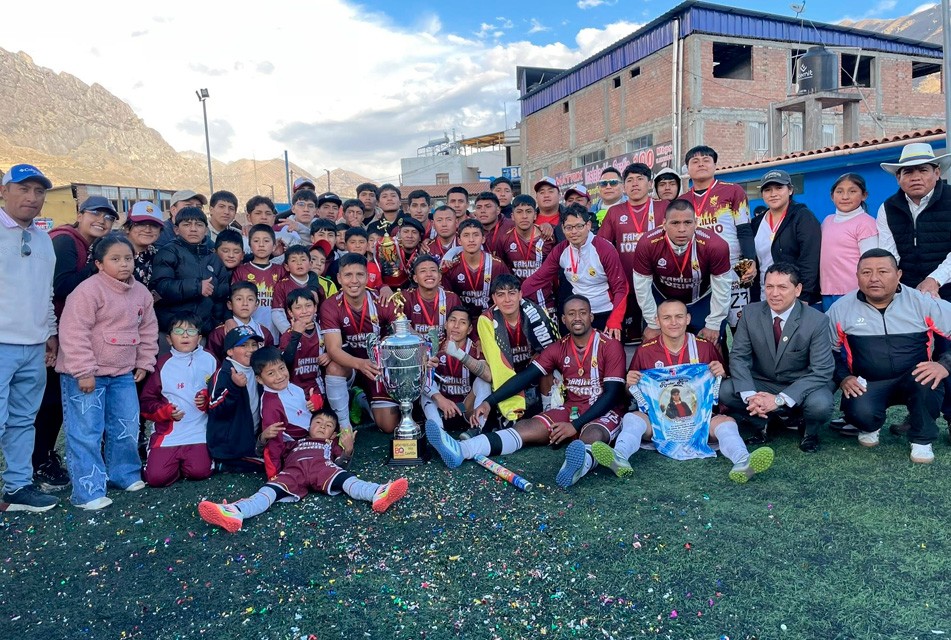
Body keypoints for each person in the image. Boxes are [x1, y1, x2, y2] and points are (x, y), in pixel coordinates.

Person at [428, 295, 626, 488]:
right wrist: (490, 401)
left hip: (603, 411)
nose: (577, 318)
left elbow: (612, 395)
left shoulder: (610, 346)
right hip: (571, 408)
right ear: (563, 319)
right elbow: (525, 377)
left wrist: (575, 425)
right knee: (526, 427)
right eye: (571, 314)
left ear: (591, 317)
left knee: (592, 435)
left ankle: (575, 466)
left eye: (583, 313)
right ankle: (462, 450)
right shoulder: (559, 347)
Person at [593, 299, 773, 483]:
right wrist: (629, 384)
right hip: (659, 425)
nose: (673, 322)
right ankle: (619, 456)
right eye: (667, 317)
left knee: (726, 423)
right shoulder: (645, 351)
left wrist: (721, 373)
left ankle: (743, 461)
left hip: (699, 424)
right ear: (657, 320)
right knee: (632, 419)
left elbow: (719, 388)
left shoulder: (704, 347)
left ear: (688, 319)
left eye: (679, 316)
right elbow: (630, 393)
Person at [56, 235, 158, 509]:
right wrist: (83, 371)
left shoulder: (141, 293)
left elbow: (148, 330)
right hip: (87, 375)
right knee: (86, 431)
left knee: (126, 425)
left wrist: (144, 362)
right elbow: (74, 332)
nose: (124, 264)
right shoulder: (87, 291)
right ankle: (87, 491)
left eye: (128, 258)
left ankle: (122, 474)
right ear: (99, 263)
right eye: (115, 259)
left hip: (123, 373)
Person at [827, 249, 951, 464]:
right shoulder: (840, 309)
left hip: (915, 379)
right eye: (866, 272)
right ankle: (870, 426)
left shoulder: (922, 302)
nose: (874, 278)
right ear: (857, 276)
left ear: (899, 274)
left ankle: (922, 439)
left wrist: (944, 364)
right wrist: (844, 377)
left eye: (883, 271)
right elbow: (827, 351)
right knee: (859, 412)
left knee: (929, 378)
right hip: (868, 383)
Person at [198, 408, 408, 533]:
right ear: (308, 425)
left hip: (322, 468)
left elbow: (341, 464)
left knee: (346, 479)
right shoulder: (294, 443)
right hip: (293, 471)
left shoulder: (330, 444)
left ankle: (377, 493)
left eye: (328, 425)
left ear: (333, 433)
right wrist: (263, 437)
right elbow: (265, 452)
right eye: (318, 422)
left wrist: (348, 450)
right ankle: (236, 512)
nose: (323, 426)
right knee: (268, 492)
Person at [34, 194, 118, 490]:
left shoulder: (82, 244)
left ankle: (43, 458)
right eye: (96, 214)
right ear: (79, 214)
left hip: (62, 331)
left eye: (108, 217)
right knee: (50, 402)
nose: (102, 221)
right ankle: (40, 462)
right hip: (50, 332)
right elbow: (62, 286)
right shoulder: (65, 241)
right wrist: (99, 268)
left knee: (54, 401)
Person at [875, 143, 951, 431]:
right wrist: (893, 285)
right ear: (899, 178)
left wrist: (935, 279)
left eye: (923, 170)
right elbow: (887, 251)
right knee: (917, 356)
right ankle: (919, 415)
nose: (915, 176)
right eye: (908, 171)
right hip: (907, 295)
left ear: (936, 172)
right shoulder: (888, 207)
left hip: (947, 290)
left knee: (948, 354)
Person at [720, 263, 834, 454]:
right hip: (762, 382)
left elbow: (822, 370)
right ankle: (762, 424)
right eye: (769, 286)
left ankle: (809, 431)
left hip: (799, 384)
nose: (774, 293)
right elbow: (739, 357)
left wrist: (780, 400)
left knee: (821, 403)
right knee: (726, 390)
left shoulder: (817, 320)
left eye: (782, 287)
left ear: (797, 290)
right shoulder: (750, 313)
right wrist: (751, 397)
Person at [0, 164, 60, 511]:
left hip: (34, 343)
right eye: (23, 189)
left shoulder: (41, 238)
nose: (32, 198)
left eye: (38, 192)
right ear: (5, 191)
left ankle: (17, 487)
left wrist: (49, 332)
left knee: (24, 419)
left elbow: (45, 292)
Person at [632, 198, 732, 344]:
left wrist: (714, 324)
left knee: (711, 345)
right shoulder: (647, 244)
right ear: (664, 224)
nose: (682, 229)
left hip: (701, 299)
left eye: (687, 223)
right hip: (662, 297)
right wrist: (653, 323)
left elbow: (722, 288)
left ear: (696, 223)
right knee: (654, 343)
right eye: (675, 223)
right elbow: (642, 288)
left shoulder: (716, 245)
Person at [320, 253, 399, 433]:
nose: (354, 281)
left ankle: (360, 399)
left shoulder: (382, 300)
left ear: (367, 277)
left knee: (388, 427)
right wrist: (360, 364)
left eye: (359, 275)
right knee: (334, 367)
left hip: (379, 366)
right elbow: (333, 349)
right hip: (352, 365)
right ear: (339, 278)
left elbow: (403, 335)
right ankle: (344, 426)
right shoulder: (330, 305)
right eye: (348, 275)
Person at [522, 204, 629, 339]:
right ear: (563, 228)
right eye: (569, 228)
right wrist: (516, 295)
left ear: (588, 225)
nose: (574, 232)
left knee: (610, 356)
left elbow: (621, 287)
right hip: (579, 313)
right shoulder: (561, 250)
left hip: (605, 311)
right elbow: (539, 278)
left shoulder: (604, 248)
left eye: (579, 226)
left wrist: (615, 320)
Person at [140, 312, 217, 487]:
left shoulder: (210, 359)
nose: (184, 335)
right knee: (157, 478)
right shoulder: (162, 364)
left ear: (199, 337)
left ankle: (189, 461)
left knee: (200, 472)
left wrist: (207, 401)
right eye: (178, 331)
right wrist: (165, 412)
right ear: (168, 339)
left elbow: (223, 395)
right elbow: (146, 403)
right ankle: (163, 460)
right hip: (169, 434)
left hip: (200, 432)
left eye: (191, 331)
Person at [682, 145, 757, 325]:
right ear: (688, 169)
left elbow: (744, 229)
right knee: (707, 325)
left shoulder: (733, 191)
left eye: (706, 160)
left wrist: (750, 260)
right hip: (698, 271)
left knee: (739, 325)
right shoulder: (682, 200)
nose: (701, 164)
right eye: (695, 161)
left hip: (732, 266)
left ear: (715, 165)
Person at [598, 163, 668, 342]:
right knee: (632, 340)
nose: (634, 184)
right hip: (627, 287)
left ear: (650, 183)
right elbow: (601, 247)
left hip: (659, 286)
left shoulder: (664, 207)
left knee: (660, 335)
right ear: (623, 187)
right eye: (629, 180)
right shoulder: (614, 212)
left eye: (640, 179)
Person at [476, 275, 560, 422]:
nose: (507, 300)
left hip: (531, 371)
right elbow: (497, 363)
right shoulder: (486, 320)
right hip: (504, 374)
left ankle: (549, 411)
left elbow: (553, 352)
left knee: (545, 363)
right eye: (501, 295)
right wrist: (512, 406)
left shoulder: (535, 312)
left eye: (512, 293)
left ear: (520, 295)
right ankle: (479, 426)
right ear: (494, 299)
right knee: (483, 378)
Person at [150, 207, 231, 335]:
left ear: (205, 230)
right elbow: (161, 287)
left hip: (204, 331)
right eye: (187, 225)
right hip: (174, 330)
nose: (193, 229)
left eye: (199, 225)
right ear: (176, 230)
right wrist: (197, 287)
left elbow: (221, 295)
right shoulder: (168, 252)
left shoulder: (213, 258)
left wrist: (215, 323)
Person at [750, 169, 821, 306]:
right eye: (768, 190)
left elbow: (810, 259)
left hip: (794, 297)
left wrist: (803, 296)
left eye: (779, 188)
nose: (773, 194)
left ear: (790, 190)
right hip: (765, 296)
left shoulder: (802, 217)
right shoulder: (757, 222)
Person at [422, 307, 492, 438]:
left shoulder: (475, 348)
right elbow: (420, 380)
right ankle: (439, 434)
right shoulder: (434, 346)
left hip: (467, 408)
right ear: (446, 324)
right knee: (424, 384)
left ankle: (477, 428)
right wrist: (441, 399)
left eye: (462, 322)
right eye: (452, 321)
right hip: (442, 408)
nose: (456, 326)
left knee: (483, 381)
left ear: (470, 329)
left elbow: (488, 376)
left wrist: (459, 354)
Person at [206, 326, 265, 473]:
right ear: (230, 351)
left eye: (254, 345)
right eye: (243, 345)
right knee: (268, 465)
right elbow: (215, 408)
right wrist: (234, 387)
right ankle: (223, 463)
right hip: (230, 444)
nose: (250, 349)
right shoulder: (224, 373)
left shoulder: (257, 368)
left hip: (250, 436)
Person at [819, 173, 879, 310]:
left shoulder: (865, 223)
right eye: (839, 191)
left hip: (854, 292)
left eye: (852, 191)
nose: (845, 197)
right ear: (832, 196)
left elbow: (870, 261)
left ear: (864, 195)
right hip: (827, 291)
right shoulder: (827, 220)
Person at [441, 219, 512, 320]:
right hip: (462, 321)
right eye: (466, 235)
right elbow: (447, 299)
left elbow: (508, 293)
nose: (471, 240)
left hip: (492, 318)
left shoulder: (497, 265)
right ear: (459, 240)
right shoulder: (451, 266)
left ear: (483, 239)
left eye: (476, 235)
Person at [498, 194, 554, 313]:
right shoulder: (504, 240)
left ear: (535, 215)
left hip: (545, 303)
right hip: (517, 304)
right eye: (519, 212)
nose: (524, 216)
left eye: (528, 211)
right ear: (512, 216)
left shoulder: (549, 238)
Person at [232, 224, 284, 339]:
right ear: (249, 245)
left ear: (274, 245)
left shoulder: (281, 270)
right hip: (247, 332)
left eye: (266, 241)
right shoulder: (241, 271)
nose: (261, 245)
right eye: (256, 241)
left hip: (275, 331)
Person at [280, 288, 329, 398]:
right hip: (293, 389)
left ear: (315, 307)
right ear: (290, 312)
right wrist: (296, 335)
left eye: (308, 306)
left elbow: (344, 348)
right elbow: (285, 363)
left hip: (318, 387)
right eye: (298, 307)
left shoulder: (323, 330)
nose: (304, 311)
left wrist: (330, 355)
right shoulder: (287, 335)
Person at [207, 281, 275, 360]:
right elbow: (213, 361)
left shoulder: (264, 332)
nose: (245, 303)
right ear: (230, 305)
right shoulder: (220, 333)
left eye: (250, 299)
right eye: (239, 299)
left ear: (256, 305)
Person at [403, 255, 463, 343]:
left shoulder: (451, 299)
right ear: (415, 278)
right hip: (416, 349)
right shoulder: (406, 297)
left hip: (444, 351)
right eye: (423, 271)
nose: (429, 274)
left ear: (439, 276)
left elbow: (459, 328)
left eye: (433, 270)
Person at [271, 245, 321, 335]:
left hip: (314, 332)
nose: (299, 263)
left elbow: (322, 309)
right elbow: (277, 313)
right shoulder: (282, 285)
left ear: (310, 264)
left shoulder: (317, 286)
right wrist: (289, 331)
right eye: (294, 260)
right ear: (286, 266)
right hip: (292, 331)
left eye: (303, 259)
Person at [124, 200, 164, 288]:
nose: (147, 230)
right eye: (141, 224)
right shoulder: (109, 251)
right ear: (127, 228)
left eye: (154, 225)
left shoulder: (161, 256)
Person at [473, 191, 514, 257]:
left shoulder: (512, 227)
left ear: (498, 210)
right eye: (479, 207)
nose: (483, 211)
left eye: (488, 206)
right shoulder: (470, 228)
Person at [533, 177, 564, 242]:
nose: (546, 195)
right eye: (542, 192)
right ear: (536, 197)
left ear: (559, 195)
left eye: (550, 191)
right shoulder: (529, 219)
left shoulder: (568, 217)